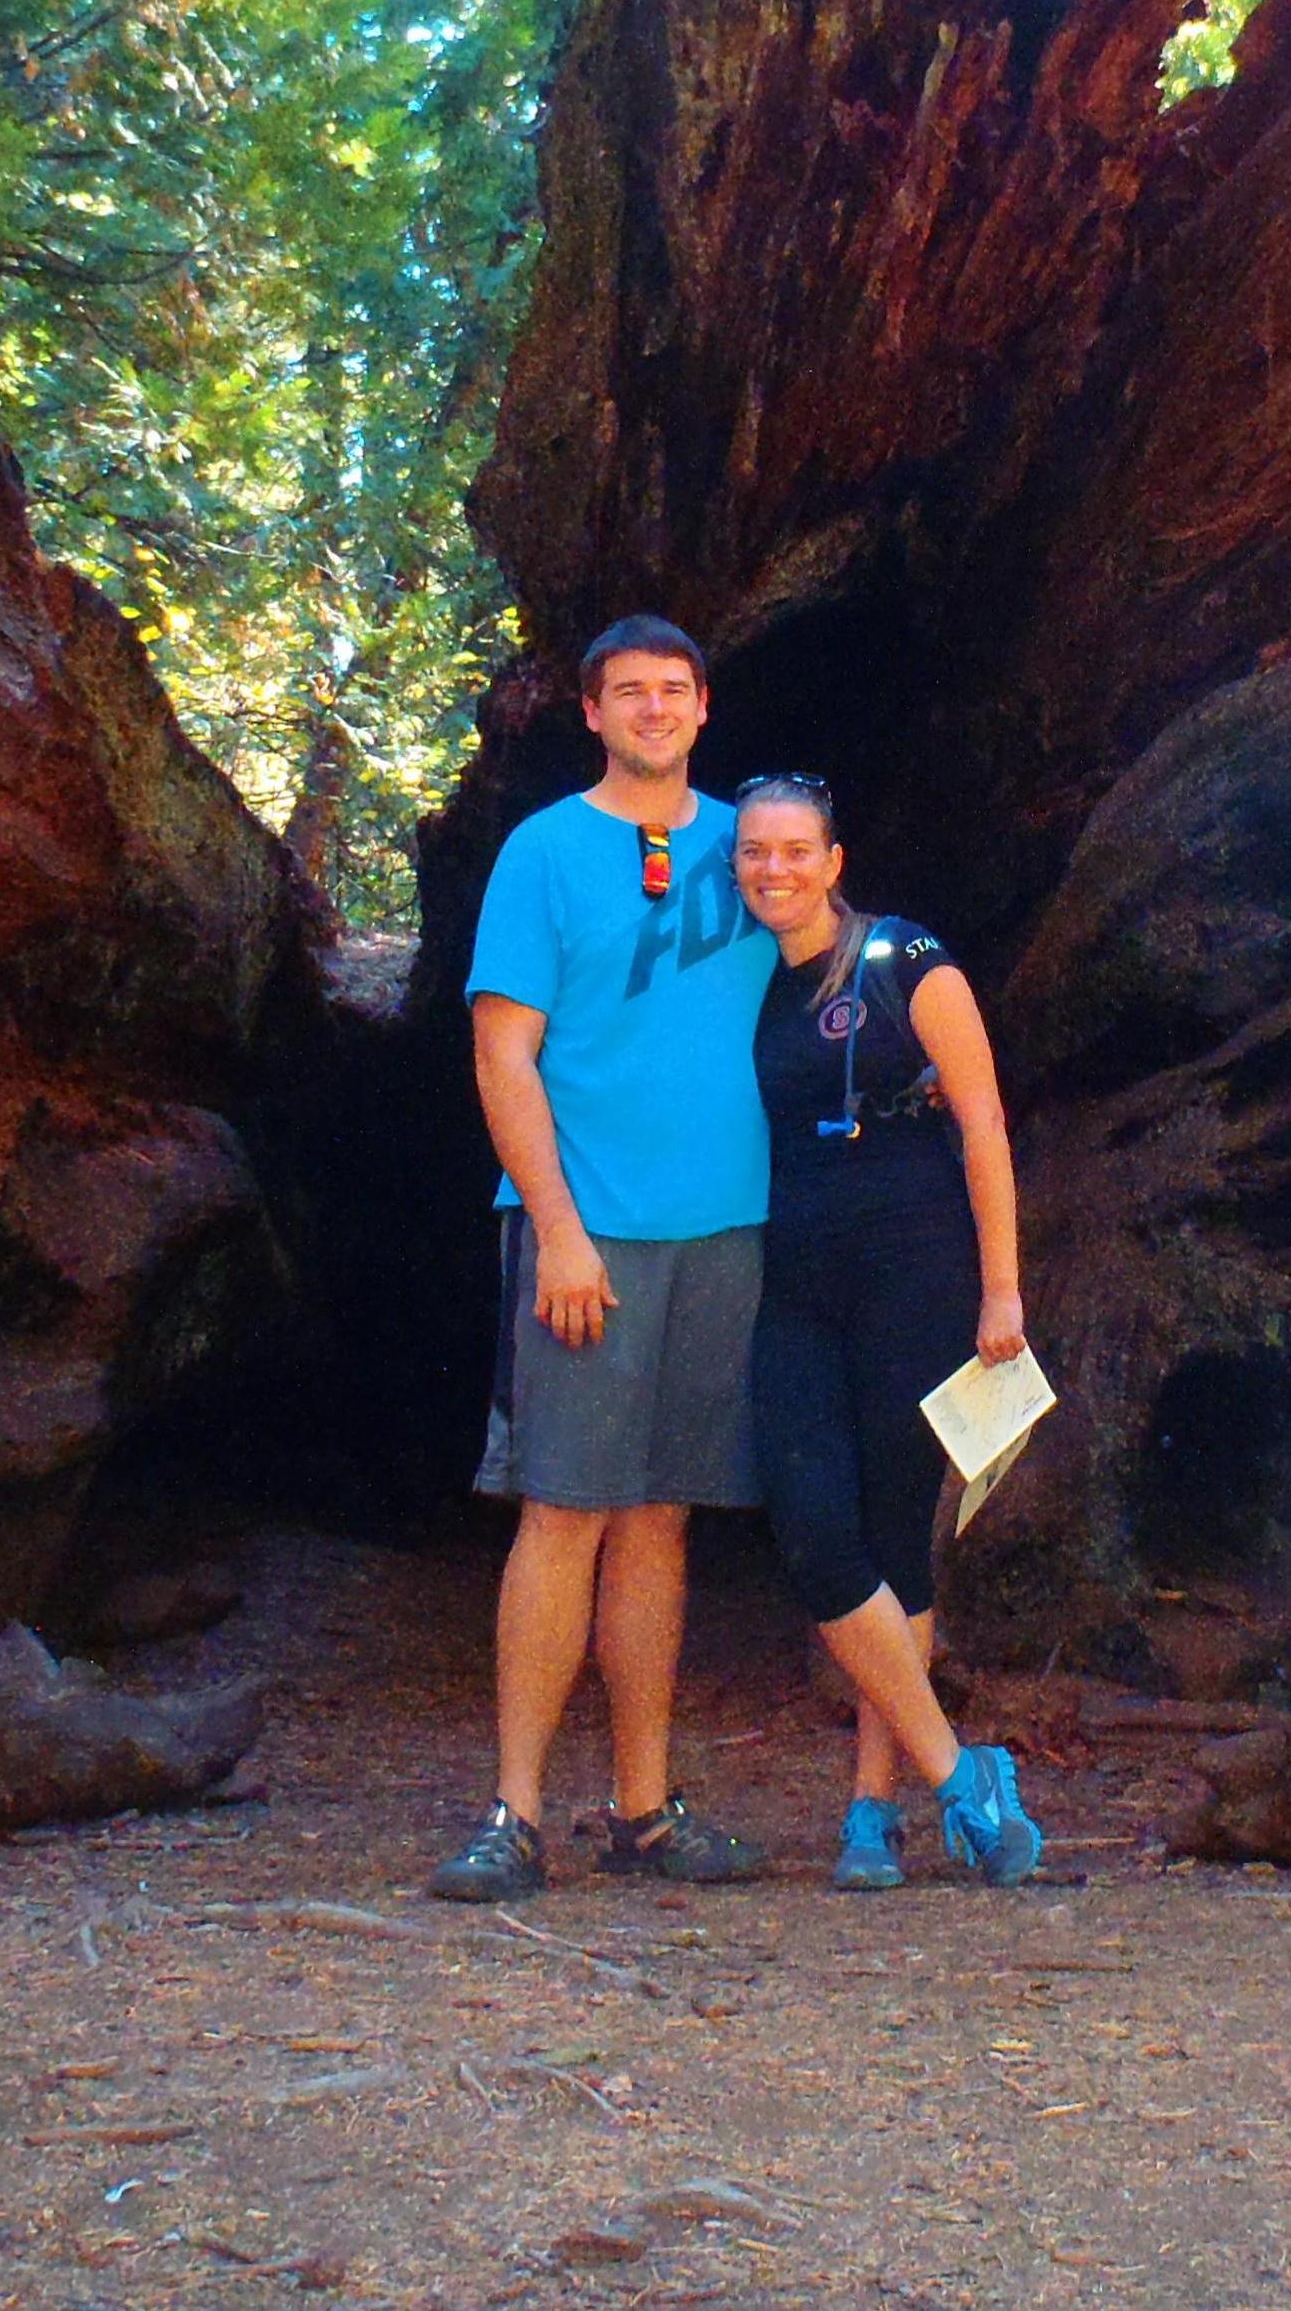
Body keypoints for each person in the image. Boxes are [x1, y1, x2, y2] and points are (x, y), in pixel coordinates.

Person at [431, 616, 777, 1903]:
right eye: (627, 692)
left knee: (659, 1517)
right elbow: (502, 1053)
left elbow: (838, 967)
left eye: (673, 690)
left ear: (702, 706)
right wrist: (559, 1229)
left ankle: (643, 1807)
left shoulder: (749, 846)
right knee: (562, 1508)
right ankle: (513, 1812)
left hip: (722, 1226)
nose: (652, 710)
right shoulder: (545, 853)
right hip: (588, 1234)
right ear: (589, 713)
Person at [731, 773, 1042, 1889]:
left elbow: (985, 1126)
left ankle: (873, 1810)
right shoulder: (738, 985)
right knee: (817, 1537)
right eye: (755, 854)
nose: (775, 871)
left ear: (833, 858)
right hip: (794, 1285)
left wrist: (1001, 1292)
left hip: (916, 1270)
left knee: (893, 1537)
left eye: (795, 851)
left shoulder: (906, 962)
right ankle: (963, 1776)